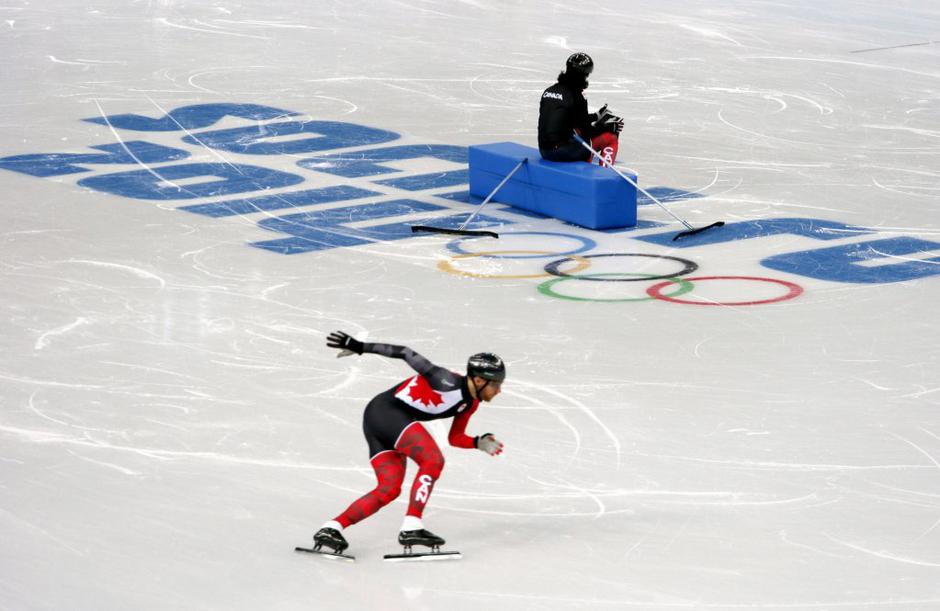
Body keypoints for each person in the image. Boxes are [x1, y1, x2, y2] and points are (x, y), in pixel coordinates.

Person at [312, 331, 506, 555]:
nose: (499, 390)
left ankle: (332, 527)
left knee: (389, 489)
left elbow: (454, 438)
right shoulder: (445, 379)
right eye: (496, 384)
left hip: (382, 423)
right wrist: (360, 346)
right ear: (479, 380)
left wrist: (477, 442)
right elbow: (405, 353)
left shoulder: (470, 404)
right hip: (386, 413)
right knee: (432, 459)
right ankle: (412, 526)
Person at [538, 52, 624, 167]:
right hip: (562, 153)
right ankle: (604, 174)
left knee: (575, 133)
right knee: (611, 137)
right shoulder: (577, 95)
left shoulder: (549, 91)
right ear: (584, 74)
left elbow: (569, 119)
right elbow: (586, 131)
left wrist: (596, 116)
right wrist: (607, 126)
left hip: (544, 151)